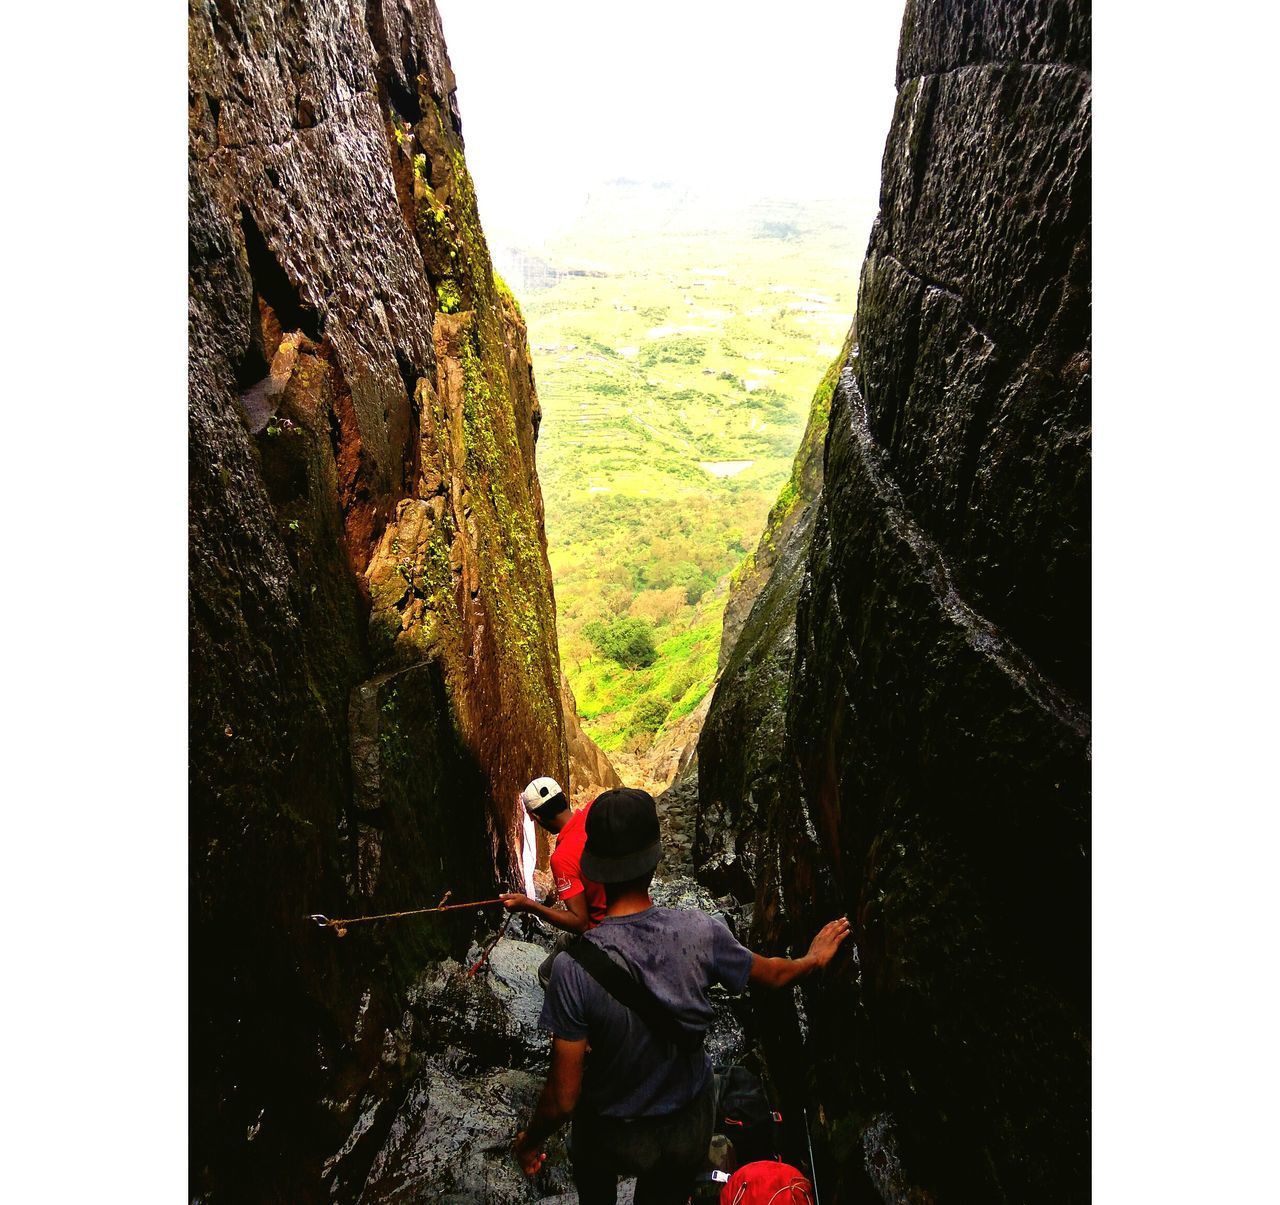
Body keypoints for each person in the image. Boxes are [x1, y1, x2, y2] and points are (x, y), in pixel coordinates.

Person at [512, 787, 850, 1204]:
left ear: (591, 869)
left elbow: (563, 1099)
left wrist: (529, 1141)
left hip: (612, 1133)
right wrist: (814, 960)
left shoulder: (571, 969)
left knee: (591, 1156)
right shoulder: (700, 932)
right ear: (655, 860)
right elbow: (774, 974)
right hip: (685, 1128)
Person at [500, 776, 607, 987]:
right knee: (562, 944)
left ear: (537, 818)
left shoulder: (563, 858)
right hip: (634, 910)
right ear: (564, 798)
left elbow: (580, 923)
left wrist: (529, 905)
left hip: (604, 934)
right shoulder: (594, 812)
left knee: (546, 974)